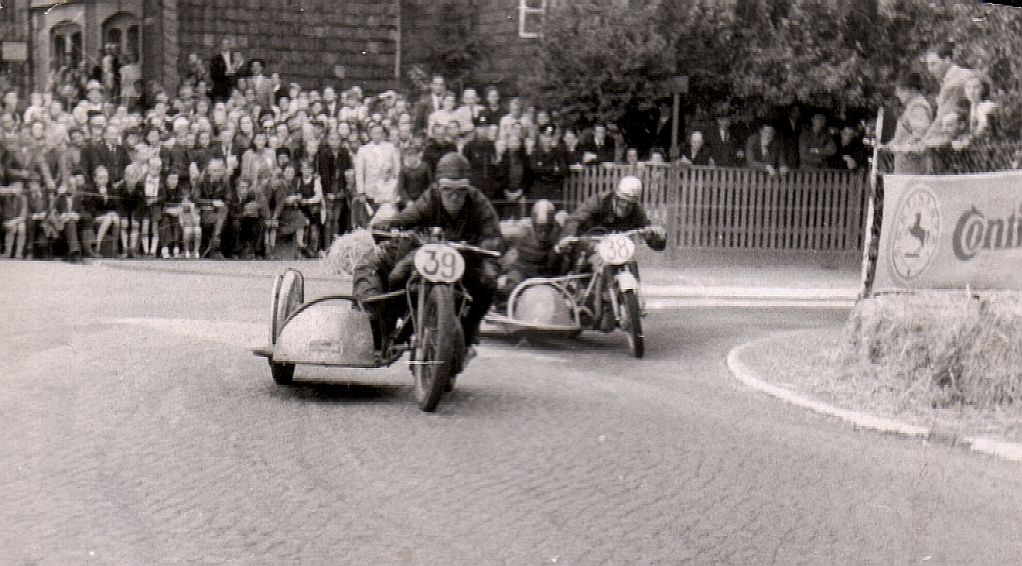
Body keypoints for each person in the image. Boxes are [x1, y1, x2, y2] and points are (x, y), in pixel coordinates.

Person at [355, 153, 504, 359]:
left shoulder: (478, 202)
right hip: (431, 255)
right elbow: (411, 215)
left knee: (488, 281)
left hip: (467, 259)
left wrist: (484, 247)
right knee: (397, 275)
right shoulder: (431, 198)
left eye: (460, 190)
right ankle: (406, 320)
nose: (454, 197)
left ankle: (470, 332)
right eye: (448, 190)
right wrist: (388, 224)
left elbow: (492, 233)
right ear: (439, 187)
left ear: (467, 188)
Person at [558, 175, 666, 331]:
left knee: (630, 260)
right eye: (622, 200)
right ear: (616, 195)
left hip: (616, 246)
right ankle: (592, 300)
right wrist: (568, 236)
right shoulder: (600, 201)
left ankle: (629, 300)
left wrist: (657, 236)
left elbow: (647, 230)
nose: (625, 206)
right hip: (590, 242)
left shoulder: (636, 211)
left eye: (630, 203)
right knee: (599, 262)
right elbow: (576, 218)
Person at [499, 199, 563, 297]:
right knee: (509, 289)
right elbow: (499, 237)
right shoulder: (521, 229)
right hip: (522, 269)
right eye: (540, 228)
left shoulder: (558, 229)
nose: (544, 233)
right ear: (533, 224)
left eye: (548, 228)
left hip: (545, 271)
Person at [353, 121, 400, 226]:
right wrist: (361, 192)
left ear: (383, 134)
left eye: (379, 133)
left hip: (386, 193)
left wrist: (395, 189)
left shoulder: (390, 148)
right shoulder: (363, 150)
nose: (377, 135)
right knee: (370, 220)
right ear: (370, 134)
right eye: (374, 133)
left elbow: (397, 170)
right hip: (371, 191)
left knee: (386, 220)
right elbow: (359, 173)